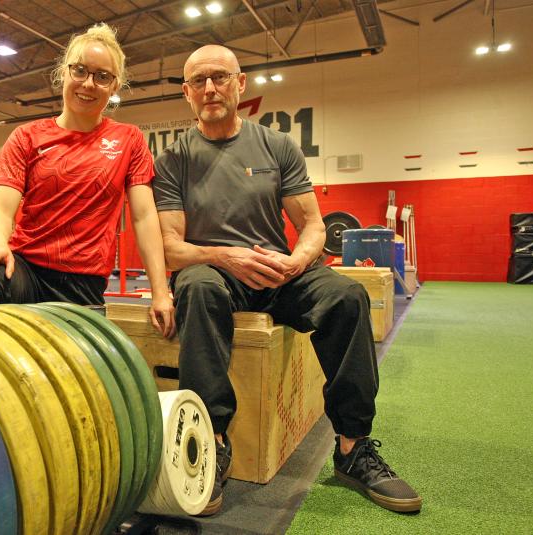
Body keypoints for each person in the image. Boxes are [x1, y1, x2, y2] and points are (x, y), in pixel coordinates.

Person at [153, 45, 421, 516]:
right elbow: (172, 247)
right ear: (187, 93)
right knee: (195, 285)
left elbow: (314, 226)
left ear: (241, 84)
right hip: (216, 270)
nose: (210, 88)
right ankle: (212, 440)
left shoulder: (276, 146)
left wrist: (297, 260)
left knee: (347, 297)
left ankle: (352, 447)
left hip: (279, 270)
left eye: (220, 77)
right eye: (199, 81)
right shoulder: (173, 160)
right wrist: (225, 255)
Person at [0, 23, 174, 337]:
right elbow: (2, 211)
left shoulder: (128, 139)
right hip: (27, 270)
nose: (88, 84)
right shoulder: (26, 137)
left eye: (102, 76)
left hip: (82, 281)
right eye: (80, 71)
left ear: (115, 86)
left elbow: (144, 217)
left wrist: (159, 291)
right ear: (64, 73)